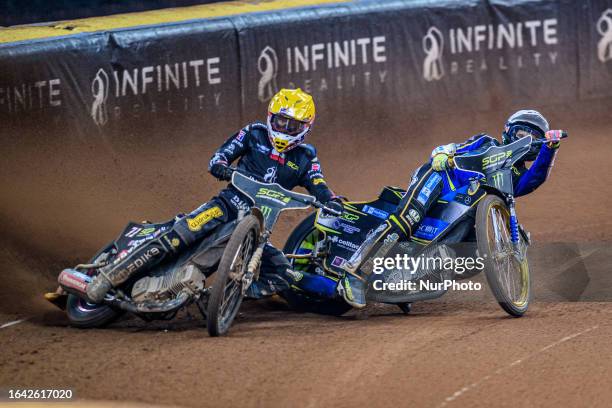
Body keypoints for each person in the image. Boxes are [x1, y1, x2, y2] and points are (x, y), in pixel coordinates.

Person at [86, 88, 343, 303]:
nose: (285, 129)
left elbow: (318, 184)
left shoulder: (306, 157)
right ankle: (107, 277)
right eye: (280, 121)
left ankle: (220, 298)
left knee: (282, 273)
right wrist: (221, 166)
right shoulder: (254, 133)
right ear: (270, 117)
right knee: (178, 236)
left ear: (306, 127)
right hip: (225, 206)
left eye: (293, 125)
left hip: (258, 227)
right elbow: (220, 155)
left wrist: (330, 200)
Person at [337, 109, 564, 308]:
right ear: (508, 131)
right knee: (407, 219)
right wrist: (444, 154)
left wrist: (550, 149)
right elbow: (449, 148)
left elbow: (535, 178)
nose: (526, 140)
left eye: (534, 138)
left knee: (473, 255)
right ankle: (355, 273)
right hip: (439, 179)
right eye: (522, 133)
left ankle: (403, 285)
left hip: (464, 210)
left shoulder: (515, 175)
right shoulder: (487, 142)